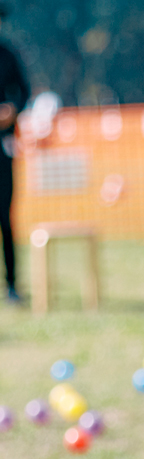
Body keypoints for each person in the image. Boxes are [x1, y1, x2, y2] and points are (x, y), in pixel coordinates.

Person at [0, 4, 29, 304]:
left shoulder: (7, 55)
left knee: (5, 218)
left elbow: (23, 91)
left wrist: (12, 110)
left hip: (2, 148)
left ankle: (12, 284)